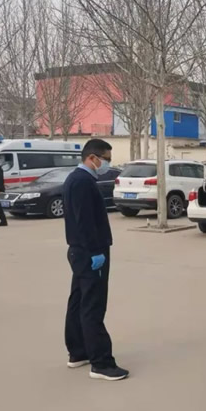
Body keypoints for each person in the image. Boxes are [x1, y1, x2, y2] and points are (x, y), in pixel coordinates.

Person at [63, 139, 128, 381]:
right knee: (93, 306)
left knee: (78, 301)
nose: (107, 164)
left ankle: (78, 351)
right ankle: (101, 363)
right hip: (90, 253)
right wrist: (94, 252)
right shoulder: (82, 182)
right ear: (92, 158)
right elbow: (85, 222)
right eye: (106, 159)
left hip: (80, 252)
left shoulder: (77, 179)